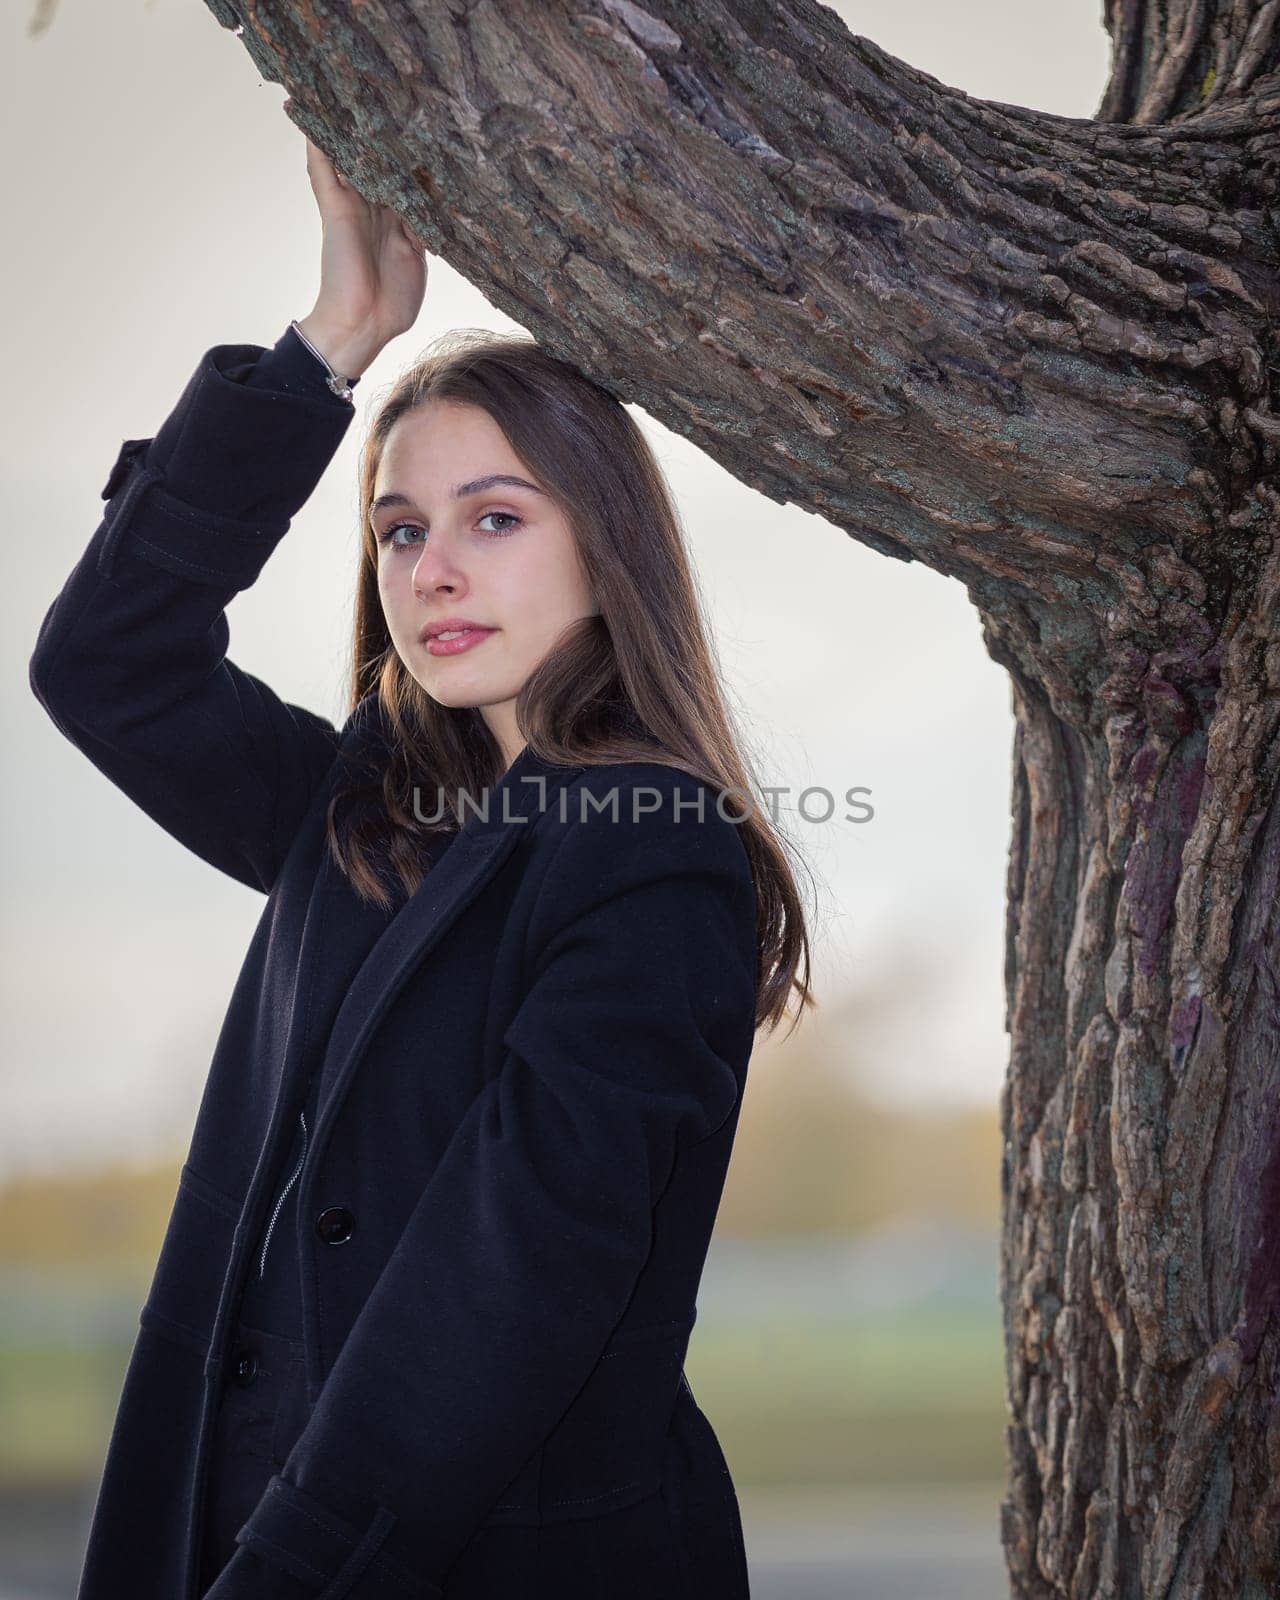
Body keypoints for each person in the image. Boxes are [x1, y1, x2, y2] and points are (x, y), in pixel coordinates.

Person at [29, 116, 815, 1600]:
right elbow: (106, 664)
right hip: (216, 1522)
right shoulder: (357, 809)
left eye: (495, 519)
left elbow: (508, 1287)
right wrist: (330, 346)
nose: (432, 569)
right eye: (399, 530)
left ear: (608, 547)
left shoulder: (657, 862)